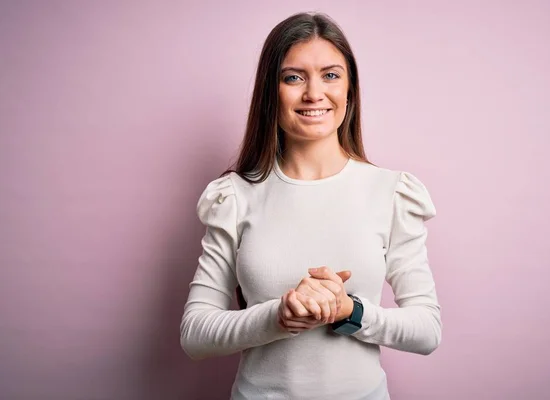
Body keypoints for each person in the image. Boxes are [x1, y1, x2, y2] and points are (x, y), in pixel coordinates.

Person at [180, 11, 442, 400]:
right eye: (293, 77)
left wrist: (349, 312)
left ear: (350, 90)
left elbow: (427, 329)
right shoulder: (233, 196)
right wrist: (278, 316)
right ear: (272, 91)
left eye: (331, 75)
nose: (314, 94)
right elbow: (195, 334)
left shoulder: (391, 192)